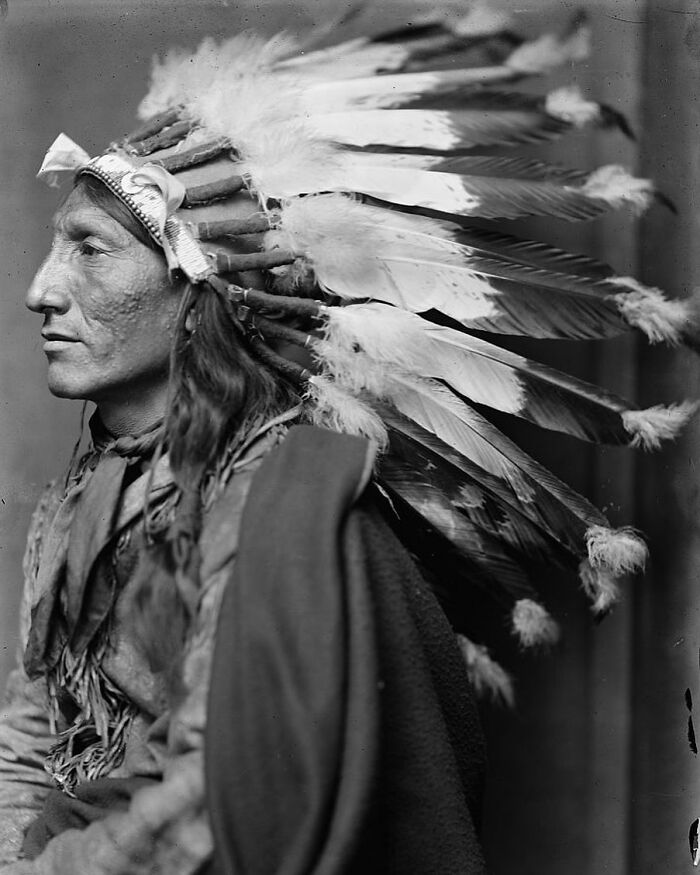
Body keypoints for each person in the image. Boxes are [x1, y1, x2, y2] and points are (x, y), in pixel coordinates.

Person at [0, 13, 695, 873]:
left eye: (89, 251)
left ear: (197, 293)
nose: (40, 290)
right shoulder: (88, 487)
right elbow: (34, 725)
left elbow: (225, 794)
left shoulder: (281, 509)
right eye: (53, 246)